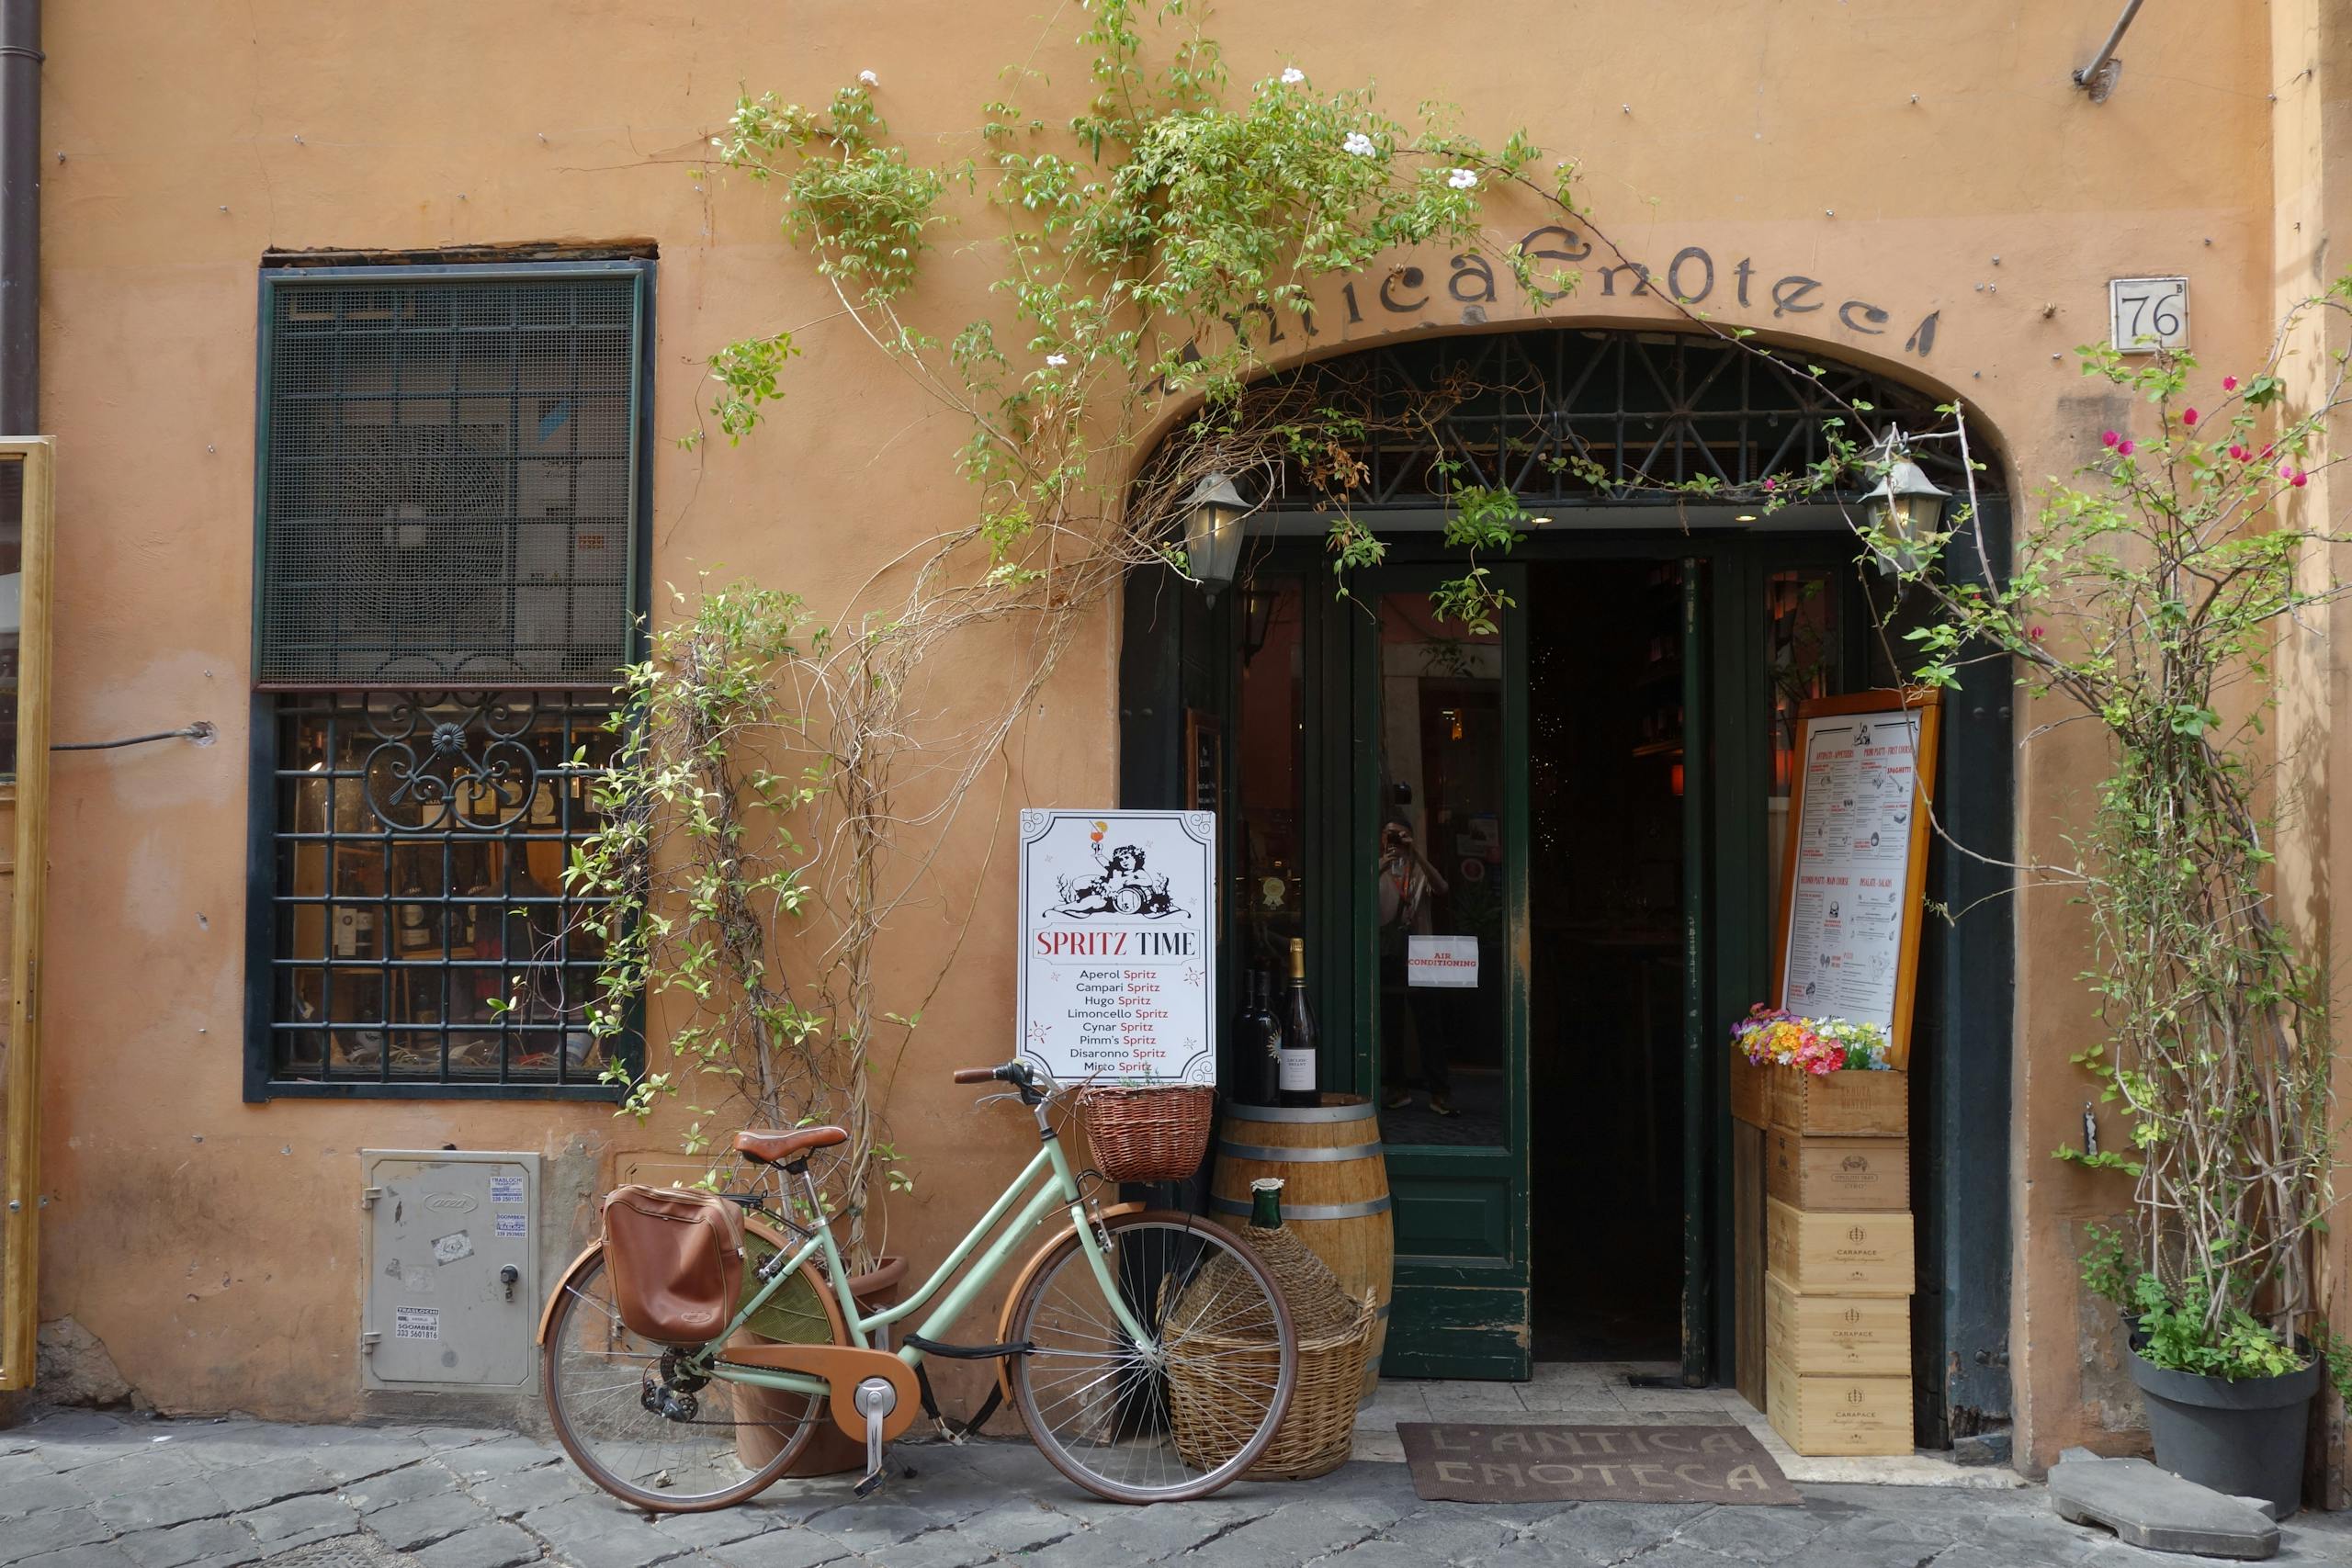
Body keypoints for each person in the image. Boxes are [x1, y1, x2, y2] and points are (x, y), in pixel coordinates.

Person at [1377, 820, 1456, 1116]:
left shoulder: (1418, 869)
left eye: (1399, 835)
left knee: (1429, 1023)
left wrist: (1417, 853)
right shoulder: (1379, 869)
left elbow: (1443, 888)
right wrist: (1379, 866)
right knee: (1392, 1024)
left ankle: (1439, 1092)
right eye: (1389, 835)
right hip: (1389, 955)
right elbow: (1359, 899)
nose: (1394, 840)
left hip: (1421, 954)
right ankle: (1397, 1089)